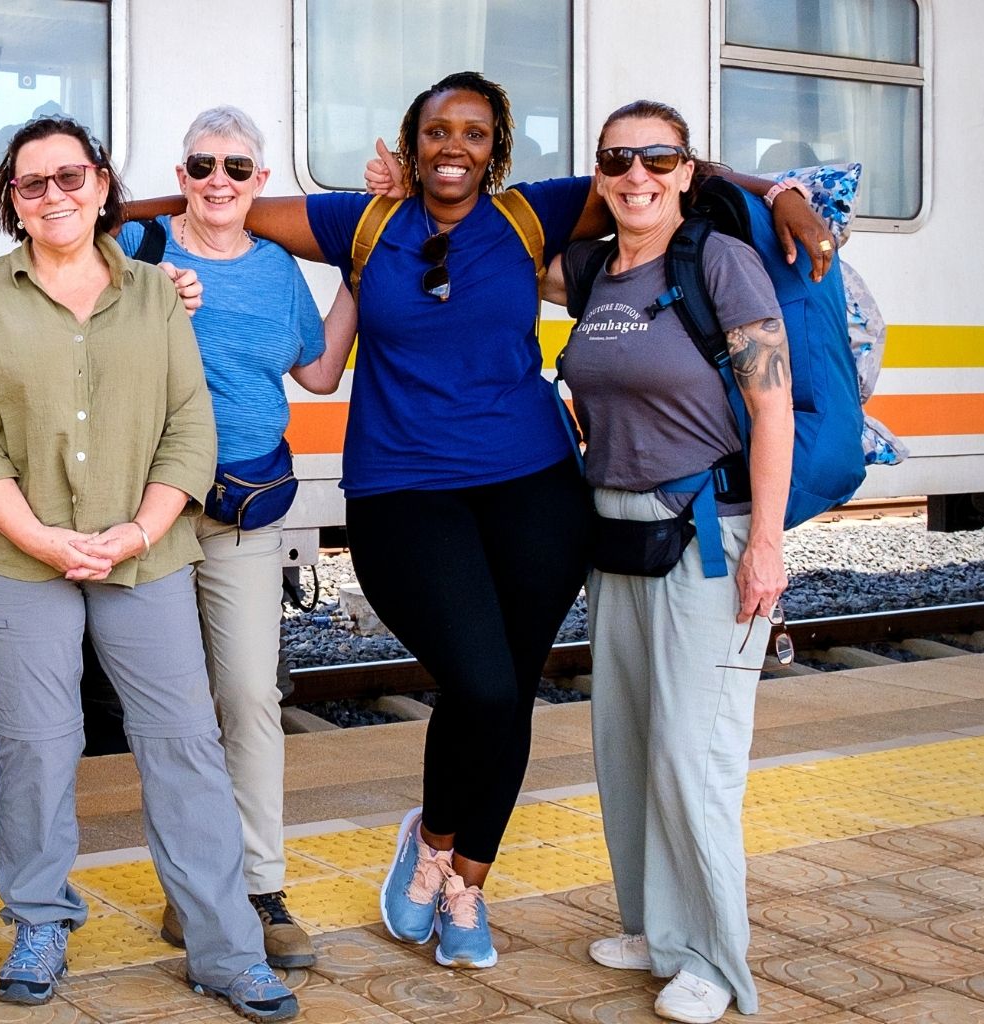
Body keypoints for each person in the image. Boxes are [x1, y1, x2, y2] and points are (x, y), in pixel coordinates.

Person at [126, 71, 829, 971]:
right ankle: (429, 844)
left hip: (535, 487)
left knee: (507, 692)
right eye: (434, 132)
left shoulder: (534, 215)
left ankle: (463, 882)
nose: (450, 147)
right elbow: (230, 198)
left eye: (471, 132)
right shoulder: (364, 221)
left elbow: (663, 167)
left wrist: (782, 195)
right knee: (485, 686)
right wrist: (108, 204)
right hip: (401, 492)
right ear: (411, 144)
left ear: (495, 147)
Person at [0, 114, 299, 1022]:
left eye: (70, 177)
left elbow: (189, 425)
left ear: (102, 184)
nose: (53, 195)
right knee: (37, 747)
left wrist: (137, 531)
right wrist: (45, 539)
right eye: (32, 184)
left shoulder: (155, 294)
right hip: (18, 557)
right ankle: (41, 921)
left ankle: (224, 946)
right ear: (12, 202)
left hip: (150, 554)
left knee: (185, 744)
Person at [551, 100, 793, 1024]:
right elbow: (491, 254)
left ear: (689, 171)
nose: (636, 175)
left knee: (695, 754)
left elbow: (771, 408)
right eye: (618, 160)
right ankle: (656, 927)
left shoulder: (719, 263)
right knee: (627, 744)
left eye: (659, 158)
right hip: (614, 533)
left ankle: (714, 962)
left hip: (706, 535)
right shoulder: (590, 271)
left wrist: (765, 544)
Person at [113, 105, 339, 970]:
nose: (218, 182)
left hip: (242, 510)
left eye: (237, 169)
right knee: (174, 717)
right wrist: (141, 299)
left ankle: (259, 886)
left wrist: (360, 272)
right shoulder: (137, 255)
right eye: (203, 165)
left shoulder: (279, 271)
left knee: (246, 699)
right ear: (182, 174)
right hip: (151, 516)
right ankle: (193, 894)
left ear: (259, 180)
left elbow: (317, 372)